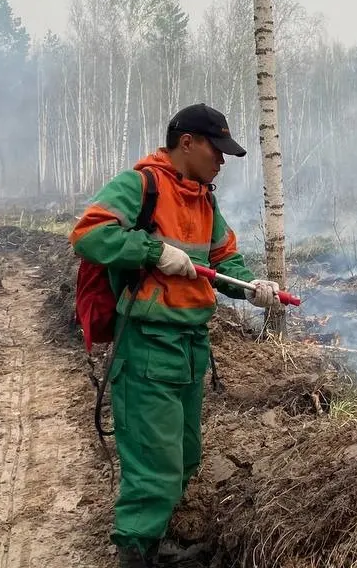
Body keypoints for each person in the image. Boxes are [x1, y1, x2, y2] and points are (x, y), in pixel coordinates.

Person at [70, 103, 282, 567]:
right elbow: (88, 235)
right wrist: (153, 251)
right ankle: (135, 553)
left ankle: (156, 541)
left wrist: (252, 287)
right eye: (216, 150)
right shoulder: (140, 185)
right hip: (148, 344)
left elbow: (223, 259)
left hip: (190, 346)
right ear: (187, 143)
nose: (222, 160)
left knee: (184, 455)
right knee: (154, 463)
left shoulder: (204, 199)